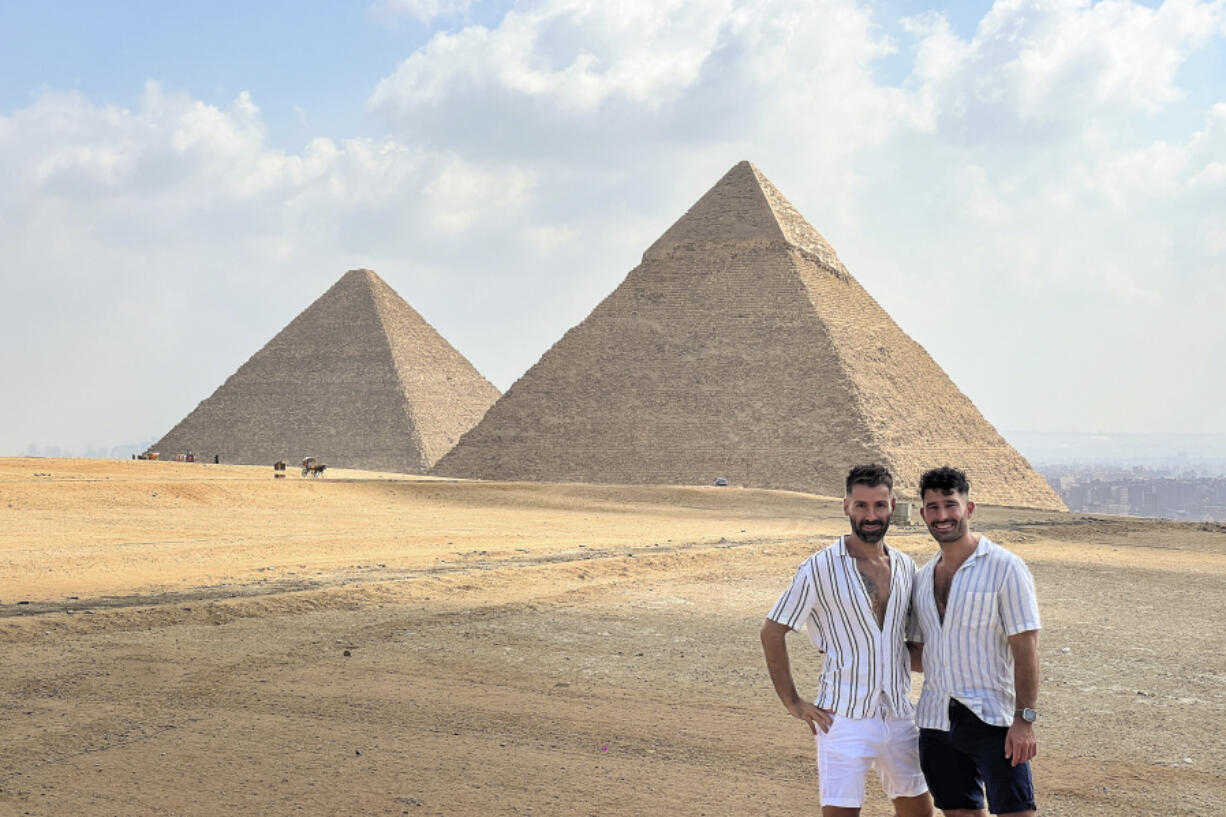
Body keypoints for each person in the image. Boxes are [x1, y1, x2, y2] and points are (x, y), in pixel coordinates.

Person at [760, 464, 933, 817]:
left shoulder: (906, 567)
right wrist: (793, 702)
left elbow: (912, 650)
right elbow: (772, 630)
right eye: (861, 506)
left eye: (879, 505)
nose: (871, 515)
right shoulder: (819, 568)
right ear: (846, 506)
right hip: (842, 719)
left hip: (899, 714)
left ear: (893, 505)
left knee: (920, 812)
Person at [909, 466, 1040, 817]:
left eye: (950, 504)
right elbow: (923, 655)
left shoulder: (1005, 568)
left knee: (1017, 813)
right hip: (936, 720)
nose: (942, 515)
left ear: (968, 508)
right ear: (922, 514)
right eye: (933, 507)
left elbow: (1025, 647)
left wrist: (1024, 720)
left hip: (993, 721)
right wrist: (851, 645)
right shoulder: (922, 578)